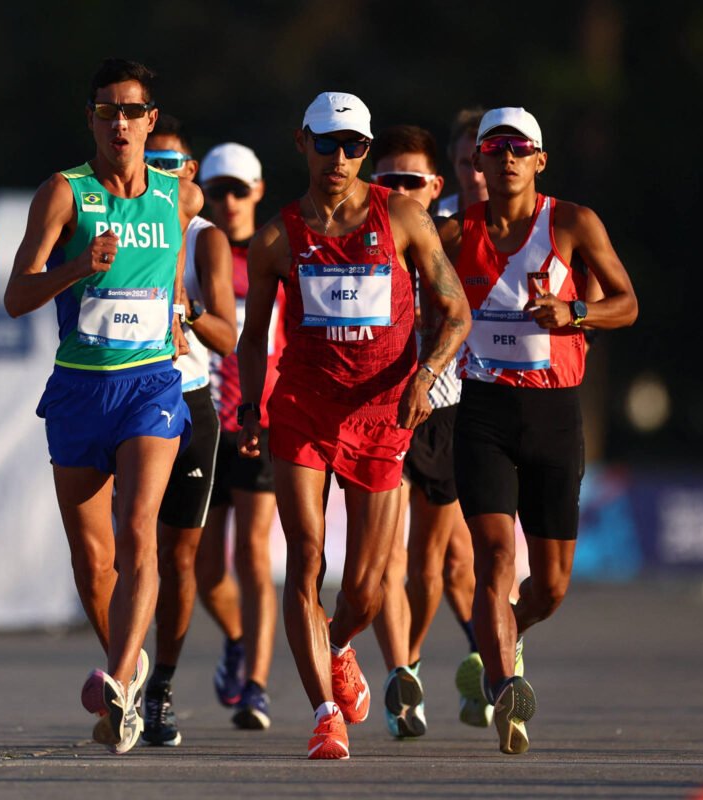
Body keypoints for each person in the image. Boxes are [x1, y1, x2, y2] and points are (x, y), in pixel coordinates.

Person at [237, 92, 471, 760]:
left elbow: (456, 313)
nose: (339, 158)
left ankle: (340, 643)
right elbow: (254, 337)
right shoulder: (278, 237)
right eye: (327, 143)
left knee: (368, 587)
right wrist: (252, 405)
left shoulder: (400, 217)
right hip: (304, 412)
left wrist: (426, 377)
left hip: (384, 413)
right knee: (305, 559)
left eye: (354, 146)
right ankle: (322, 715)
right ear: (301, 142)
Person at [3, 58, 203, 755]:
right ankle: (129, 668)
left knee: (138, 529)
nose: (119, 122)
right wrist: (77, 267)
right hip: (79, 388)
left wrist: (177, 319)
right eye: (106, 110)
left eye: (131, 110)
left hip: (150, 385)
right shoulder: (65, 194)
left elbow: (173, 276)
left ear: (152, 119)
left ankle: (119, 681)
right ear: (89, 119)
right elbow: (17, 297)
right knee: (94, 563)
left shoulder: (179, 197)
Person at [443, 107, 637, 755]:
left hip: (555, 414)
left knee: (551, 586)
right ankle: (504, 690)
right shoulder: (453, 232)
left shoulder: (573, 224)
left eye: (519, 148)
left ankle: (507, 635)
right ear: (477, 161)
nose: (506, 159)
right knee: (495, 559)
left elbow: (628, 303)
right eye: (494, 148)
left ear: (539, 160)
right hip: (484, 413)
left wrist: (575, 311)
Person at [365, 124, 481, 738]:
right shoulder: (360, 235)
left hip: (447, 405)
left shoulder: (462, 237)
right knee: (384, 556)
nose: (402, 190)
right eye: (389, 181)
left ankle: (412, 662)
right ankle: (399, 681)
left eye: (413, 180)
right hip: (379, 410)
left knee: (430, 566)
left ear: (436, 186)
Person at [138, 116, 238, 747]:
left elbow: (229, 334)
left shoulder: (205, 239)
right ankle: (125, 667)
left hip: (190, 399)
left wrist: (188, 312)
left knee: (180, 559)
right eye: (154, 165)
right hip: (124, 396)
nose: (163, 177)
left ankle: (162, 689)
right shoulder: (118, 223)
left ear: (191, 174)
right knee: (126, 551)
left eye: (173, 166)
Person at [194, 141, 284, 731]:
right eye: (217, 190)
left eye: (238, 189)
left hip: (263, 420)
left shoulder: (277, 254)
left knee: (254, 553)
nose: (228, 201)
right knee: (203, 570)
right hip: (202, 420)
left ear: (257, 192)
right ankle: (234, 637)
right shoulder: (195, 251)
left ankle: (256, 684)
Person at [436, 108, 488, 218]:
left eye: (482, 163)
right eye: (466, 164)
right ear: (453, 162)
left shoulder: (528, 219)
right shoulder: (434, 218)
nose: (475, 178)